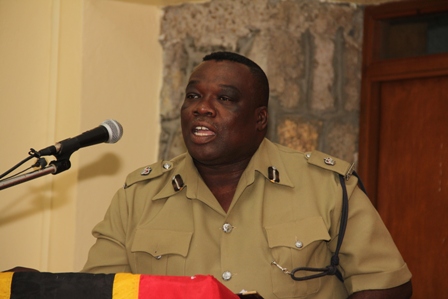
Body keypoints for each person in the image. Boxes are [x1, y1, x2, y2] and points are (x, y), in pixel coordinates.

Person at [82, 51, 412, 298]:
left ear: (260, 119)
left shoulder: (326, 185)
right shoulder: (138, 195)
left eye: (224, 99)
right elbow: (99, 290)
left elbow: (385, 285)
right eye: (193, 96)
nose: (202, 108)